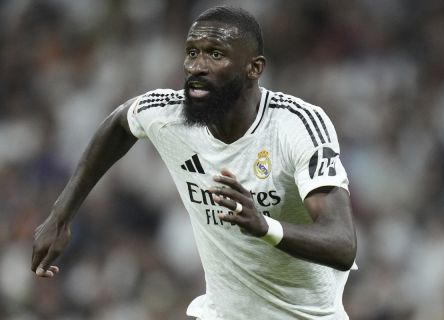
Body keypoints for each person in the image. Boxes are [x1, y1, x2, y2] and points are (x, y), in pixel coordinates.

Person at [31, 6, 357, 320]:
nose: (197, 66)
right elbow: (120, 122)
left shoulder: (296, 127)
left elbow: (342, 245)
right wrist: (61, 216)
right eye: (191, 52)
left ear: (254, 68)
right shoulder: (170, 113)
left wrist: (265, 226)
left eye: (215, 54)